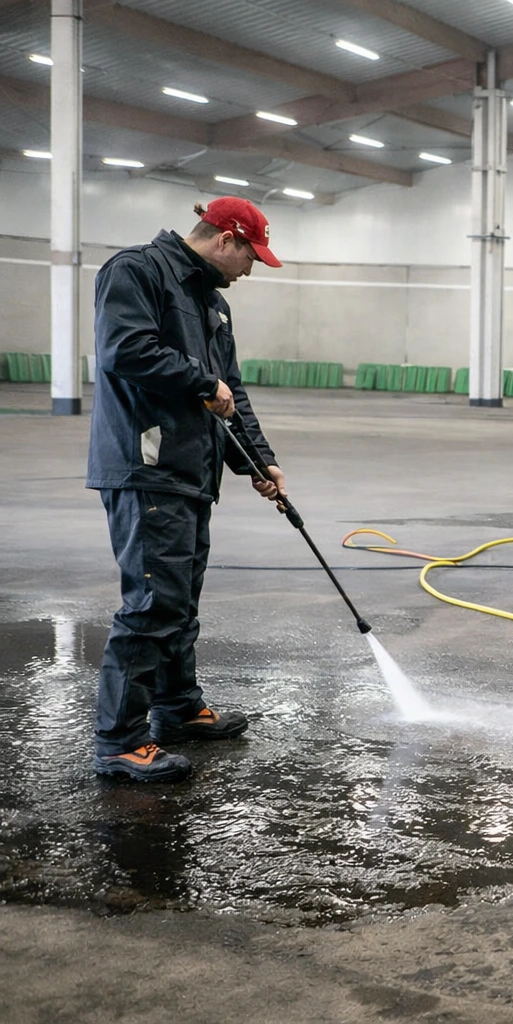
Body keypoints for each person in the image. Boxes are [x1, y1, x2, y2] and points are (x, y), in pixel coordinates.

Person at [87, 197, 287, 782]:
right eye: (252, 255)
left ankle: (176, 708)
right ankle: (119, 740)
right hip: (145, 463)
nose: (252, 268)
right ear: (226, 238)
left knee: (179, 598)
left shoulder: (211, 303)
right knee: (153, 603)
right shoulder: (136, 271)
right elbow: (124, 350)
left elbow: (232, 394)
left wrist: (258, 461)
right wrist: (204, 380)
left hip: (189, 472)